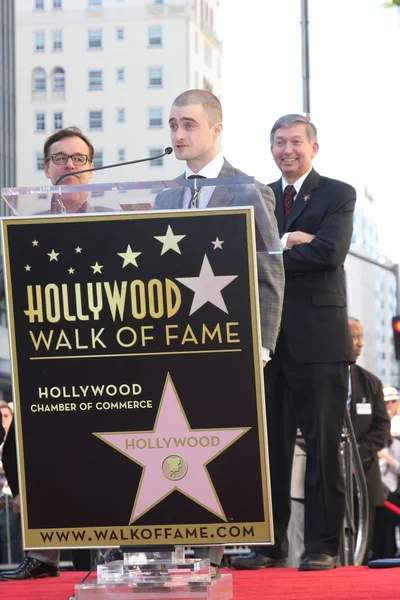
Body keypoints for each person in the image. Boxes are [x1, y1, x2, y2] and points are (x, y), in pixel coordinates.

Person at [155, 89, 285, 575]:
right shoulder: (165, 193)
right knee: (168, 439)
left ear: (216, 128)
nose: (178, 134)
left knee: (216, 445)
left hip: (229, 343)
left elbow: (270, 268)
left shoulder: (247, 189)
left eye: (188, 124)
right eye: (172, 124)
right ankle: (167, 549)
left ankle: (210, 557)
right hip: (171, 343)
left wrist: (264, 342)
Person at [233, 114, 356, 572]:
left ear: (314, 148)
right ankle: (270, 543)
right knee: (269, 451)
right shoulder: (258, 195)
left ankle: (323, 546)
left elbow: (329, 252)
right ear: (271, 149)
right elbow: (244, 254)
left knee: (324, 449)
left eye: (296, 142)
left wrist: (272, 250)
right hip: (269, 342)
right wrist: (288, 240)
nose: (287, 150)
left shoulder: (337, 193)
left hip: (320, 344)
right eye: (279, 143)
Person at [0, 127, 96, 581]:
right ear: (46, 169)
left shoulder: (116, 221)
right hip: (43, 362)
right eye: (60, 159)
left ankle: (96, 557)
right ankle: (44, 556)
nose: (70, 167)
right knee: (21, 455)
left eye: (79, 159)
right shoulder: (25, 228)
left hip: (102, 363)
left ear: (93, 167)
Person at [371, 386, 400, 559]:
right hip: (377, 487)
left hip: (392, 490)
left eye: (392, 401)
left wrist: (386, 457)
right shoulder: (377, 426)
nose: (389, 405)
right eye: (385, 402)